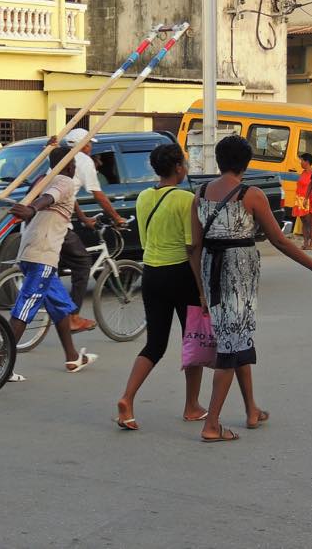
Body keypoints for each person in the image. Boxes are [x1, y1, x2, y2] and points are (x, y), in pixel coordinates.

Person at [191, 136, 312, 442]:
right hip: (238, 279)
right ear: (246, 164)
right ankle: (212, 425)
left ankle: (251, 410)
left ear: (219, 161)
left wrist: (202, 290)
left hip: (211, 275)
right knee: (230, 350)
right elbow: (280, 240)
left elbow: (194, 247)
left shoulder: (200, 192)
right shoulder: (251, 194)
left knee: (239, 340)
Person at [116, 143, 206, 431]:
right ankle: (192, 406)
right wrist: (202, 289)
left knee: (155, 344)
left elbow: (145, 238)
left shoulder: (143, 197)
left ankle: (127, 398)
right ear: (178, 167)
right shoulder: (185, 198)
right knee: (192, 340)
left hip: (152, 273)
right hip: (180, 273)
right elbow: (192, 246)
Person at [8, 146, 98, 373]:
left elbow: (48, 196)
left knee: (59, 308)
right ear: (69, 166)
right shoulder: (64, 181)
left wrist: (32, 208)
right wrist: (32, 209)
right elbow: (50, 197)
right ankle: (0, 364)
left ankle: (72, 356)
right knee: (25, 308)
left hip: (30, 253)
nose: (75, 169)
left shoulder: (43, 179)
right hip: (43, 255)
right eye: (74, 166)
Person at [61, 128, 126, 333]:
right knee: (83, 264)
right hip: (58, 223)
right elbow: (98, 194)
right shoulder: (84, 160)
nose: (91, 148)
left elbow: (69, 193)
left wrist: (83, 218)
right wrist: (116, 217)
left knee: (63, 261)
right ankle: (73, 316)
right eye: (90, 144)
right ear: (84, 145)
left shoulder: (63, 158)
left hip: (49, 220)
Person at [293, 153, 312, 250]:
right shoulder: (303, 172)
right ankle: (305, 243)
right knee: (304, 222)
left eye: (302, 160)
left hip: (309, 200)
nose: (301, 162)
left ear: (307, 162)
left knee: (311, 222)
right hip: (300, 200)